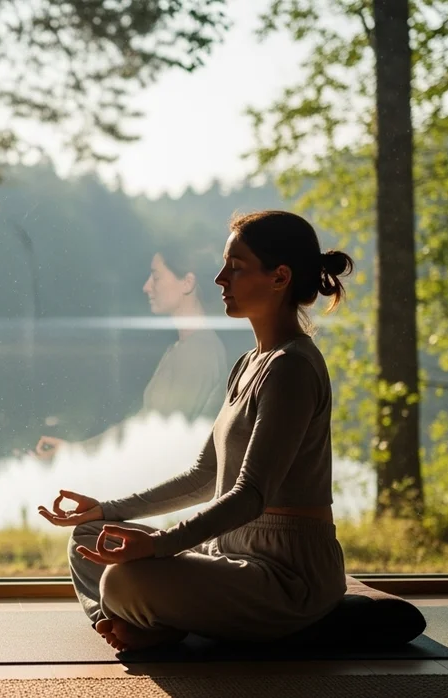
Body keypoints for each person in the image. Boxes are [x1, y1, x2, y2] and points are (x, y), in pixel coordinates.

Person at [37, 210, 354, 652]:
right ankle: (137, 623)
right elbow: (204, 476)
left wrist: (158, 547)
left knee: (123, 577)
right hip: (226, 554)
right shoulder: (249, 363)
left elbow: (251, 495)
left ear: (280, 277)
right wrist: (105, 510)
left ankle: (143, 622)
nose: (220, 278)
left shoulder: (292, 368)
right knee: (89, 540)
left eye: (236, 267)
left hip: (285, 574)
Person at [33, 243, 228, 460]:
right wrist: (74, 452)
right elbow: (143, 428)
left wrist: (76, 455)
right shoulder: (184, 348)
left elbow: (158, 441)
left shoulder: (198, 352)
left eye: (156, 277)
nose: (147, 286)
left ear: (187, 283)